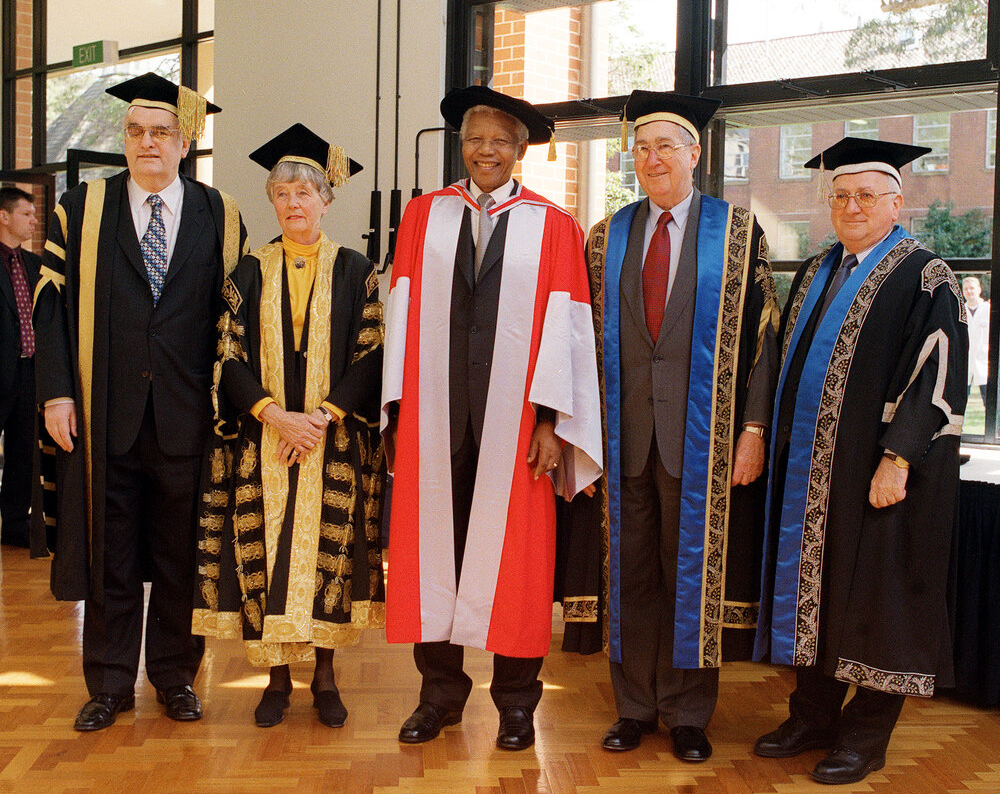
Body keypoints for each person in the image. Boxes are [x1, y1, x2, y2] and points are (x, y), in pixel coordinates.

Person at [381, 85, 602, 751]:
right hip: (434, 413)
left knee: (519, 561)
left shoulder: (553, 223)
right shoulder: (424, 216)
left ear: (519, 151)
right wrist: (395, 410)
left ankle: (514, 704)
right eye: (477, 138)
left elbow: (567, 332)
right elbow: (399, 312)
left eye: (501, 141)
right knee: (432, 550)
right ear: (462, 144)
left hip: (517, 425)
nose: (487, 150)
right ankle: (439, 697)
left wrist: (551, 422)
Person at [32, 72, 247, 731]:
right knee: (111, 554)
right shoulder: (82, 207)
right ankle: (109, 683)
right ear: (122, 140)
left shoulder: (220, 212)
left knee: (182, 557)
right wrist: (56, 393)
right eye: (135, 131)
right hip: (103, 414)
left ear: (185, 144)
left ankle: (176, 677)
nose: (146, 142)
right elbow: (49, 303)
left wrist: (236, 405)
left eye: (161, 133)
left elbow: (236, 317)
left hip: (190, 416)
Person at [753, 137, 967, 785]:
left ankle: (865, 737)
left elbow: (939, 375)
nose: (851, 205)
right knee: (811, 593)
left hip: (880, 472)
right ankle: (810, 716)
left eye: (866, 195)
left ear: (896, 203)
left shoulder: (924, 273)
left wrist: (898, 457)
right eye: (840, 195)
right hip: (811, 476)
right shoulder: (819, 269)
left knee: (878, 601)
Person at [578, 90, 779, 761]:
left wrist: (752, 430)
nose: (653, 157)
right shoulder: (607, 235)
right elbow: (580, 343)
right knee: (630, 577)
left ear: (697, 153)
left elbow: (763, 342)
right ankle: (634, 706)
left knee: (693, 575)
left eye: (667, 145)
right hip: (625, 437)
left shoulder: (740, 233)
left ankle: (689, 712)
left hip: (705, 439)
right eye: (642, 147)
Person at [192, 124, 385, 729]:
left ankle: (325, 678)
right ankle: (274, 681)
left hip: (333, 438)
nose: (294, 203)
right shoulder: (247, 273)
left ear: (327, 201)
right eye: (282, 194)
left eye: (306, 193)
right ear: (272, 202)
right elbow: (227, 355)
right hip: (264, 436)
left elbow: (373, 351)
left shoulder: (357, 271)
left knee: (329, 555)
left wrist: (323, 417)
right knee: (266, 555)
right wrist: (275, 415)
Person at [0, 186, 39, 549]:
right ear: (4, 216)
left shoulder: (32, 264)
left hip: (28, 374)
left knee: (22, 453)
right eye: (27, 214)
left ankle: (13, 525)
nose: (34, 221)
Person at [963, 276, 989, 399]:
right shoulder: (960, 309)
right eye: (966, 289)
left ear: (979, 289)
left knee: (988, 399)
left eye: (972, 288)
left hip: (985, 360)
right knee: (960, 403)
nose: (969, 291)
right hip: (964, 360)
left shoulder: (989, 309)